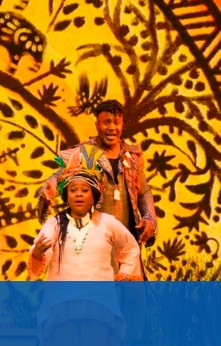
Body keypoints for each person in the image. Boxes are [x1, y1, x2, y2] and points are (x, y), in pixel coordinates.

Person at [28, 149, 141, 346]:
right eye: (73, 190)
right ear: (66, 195)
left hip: (99, 306)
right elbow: (38, 261)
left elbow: (131, 247)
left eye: (84, 190)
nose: (78, 194)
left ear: (93, 195)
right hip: (61, 306)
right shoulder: (54, 224)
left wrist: (124, 273)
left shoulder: (108, 223)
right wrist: (37, 253)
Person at [38, 99, 157, 268]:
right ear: (97, 125)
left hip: (126, 248)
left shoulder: (132, 156)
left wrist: (149, 217)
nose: (112, 128)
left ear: (122, 124)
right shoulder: (86, 153)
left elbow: (144, 191)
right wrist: (49, 190)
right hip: (93, 248)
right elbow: (60, 175)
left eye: (116, 122)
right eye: (106, 122)